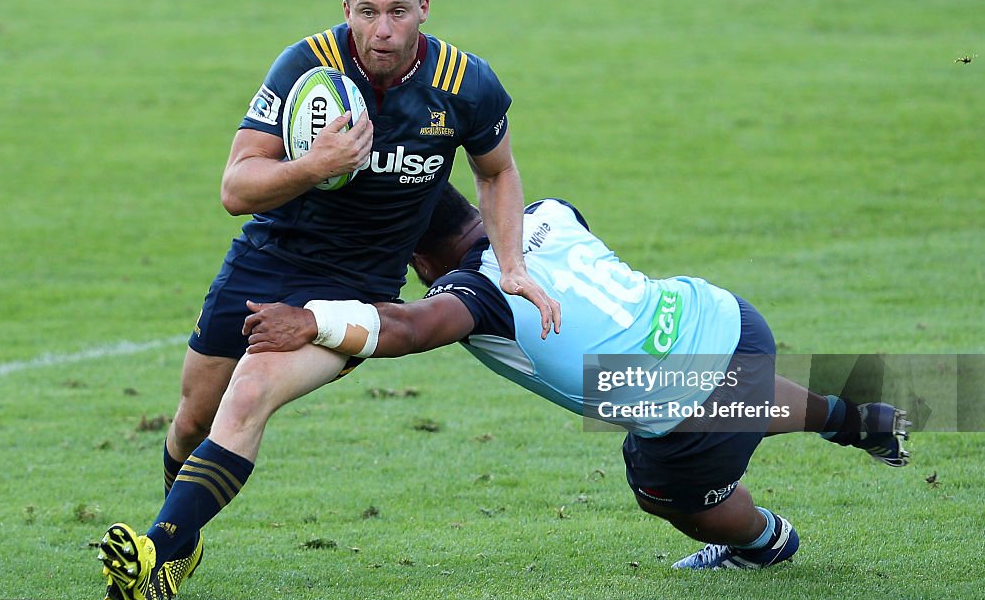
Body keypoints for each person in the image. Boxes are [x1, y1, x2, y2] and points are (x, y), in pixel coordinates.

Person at [97, 0, 559, 600]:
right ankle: (184, 543)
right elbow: (235, 185)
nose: (383, 29)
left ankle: (157, 547)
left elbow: (497, 171)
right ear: (345, 8)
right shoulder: (303, 67)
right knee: (193, 418)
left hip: (356, 290)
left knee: (252, 390)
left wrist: (512, 265)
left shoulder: (465, 84)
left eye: (398, 11)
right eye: (367, 11)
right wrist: (315, 165)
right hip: (266, 260)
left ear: (424, 9)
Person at [243, 184, 910, 572]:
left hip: (683, 404)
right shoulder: (550, 211)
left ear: (418, 253)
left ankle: (763, 542)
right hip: (722, 315)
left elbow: (413, 328)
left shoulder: (473, 294)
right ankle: (856, 420)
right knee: (699, 385)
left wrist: (312, 320)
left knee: (661, 489)